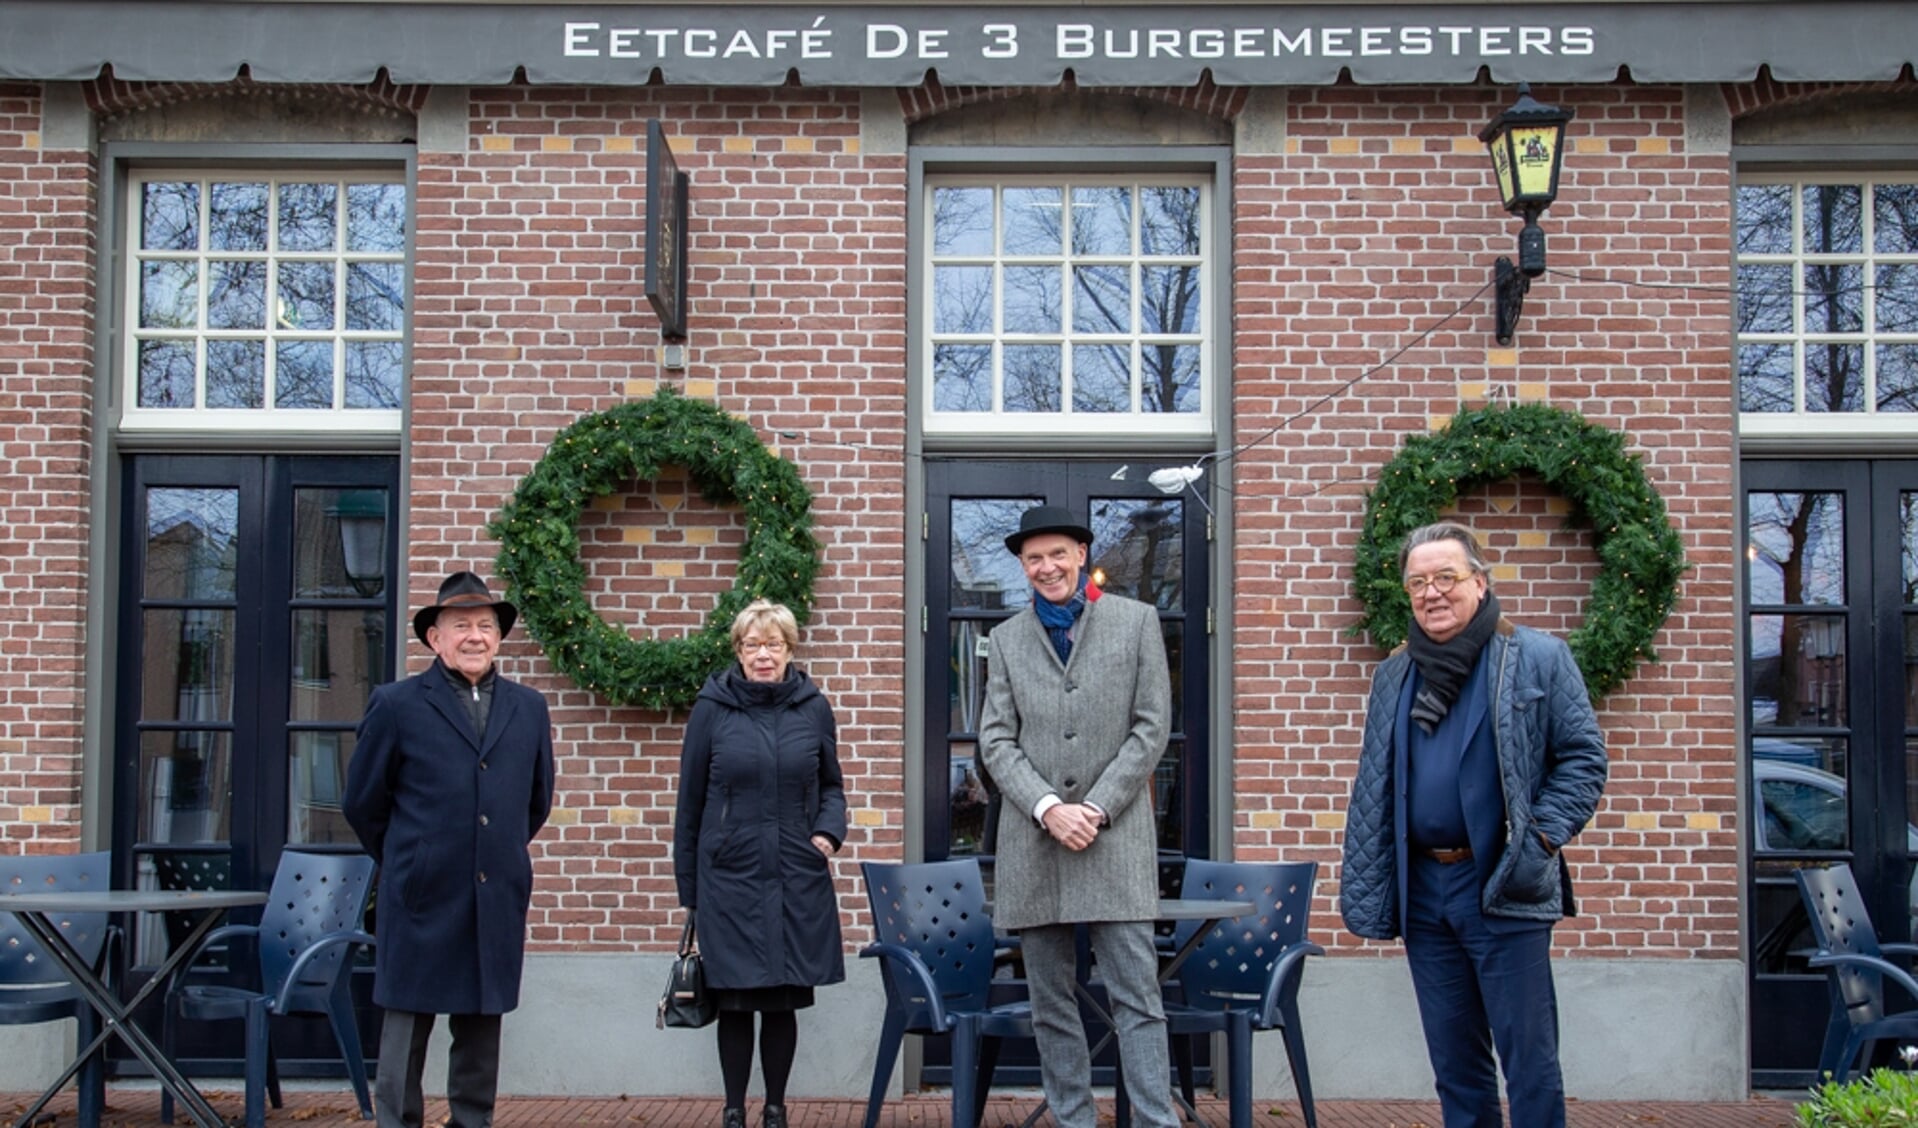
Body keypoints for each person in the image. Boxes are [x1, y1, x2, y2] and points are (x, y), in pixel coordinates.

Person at [1339, 522, 1608, 1128]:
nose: (1432, 593)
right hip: (1426, 896)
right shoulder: (1395, 675)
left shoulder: (1536, 657)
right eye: (1417, 583)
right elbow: (1377, 783)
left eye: (1446, 578)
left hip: (1504, 886)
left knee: (1530, 1063)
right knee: (1456, 1067)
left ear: (1480, 584)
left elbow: (1585, 759)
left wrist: (1538, 841)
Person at [979, 505, 1179, 1128]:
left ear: (1082, 556)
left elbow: (1151, 728)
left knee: (1138, 999)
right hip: (1035, 846)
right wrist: (1047, 808)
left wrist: (1093, 808)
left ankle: (1152, 1121)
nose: (1047, 567)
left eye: (1057, 554)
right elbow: (995, 740)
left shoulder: (1137, 622)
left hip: (1114, 841)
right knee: (1051, 1003)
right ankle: (1073, 1120)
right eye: (1034, 558)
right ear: (1021, 565)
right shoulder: (1007, 638)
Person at [343, 570, 556, 1128]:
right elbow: (363, 804)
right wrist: (411, 861)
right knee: (406, 1026)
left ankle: (471, 1121)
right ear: (435, 638)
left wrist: (491, 850)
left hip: (495, 891)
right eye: (460, 625)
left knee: (481, 1025)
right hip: (419, 893)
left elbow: (535, 801)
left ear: (500, 637)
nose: (475, 636)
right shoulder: (396, 704)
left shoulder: (529, 708)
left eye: (485, 625)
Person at [674, 599, 848, 1128]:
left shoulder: (812, 705)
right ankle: (732, 1110)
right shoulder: (712, 707)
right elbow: (691, 801)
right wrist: (691, 891)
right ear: (739, 651)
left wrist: (827, 833)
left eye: (774, 645)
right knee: (733, 1000)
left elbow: (832, 786)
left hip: (796, 872)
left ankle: (775, 1108)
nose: (764, 656)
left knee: (782, 1000)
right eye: (753, 645)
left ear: (790, 649)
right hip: (729, 875)